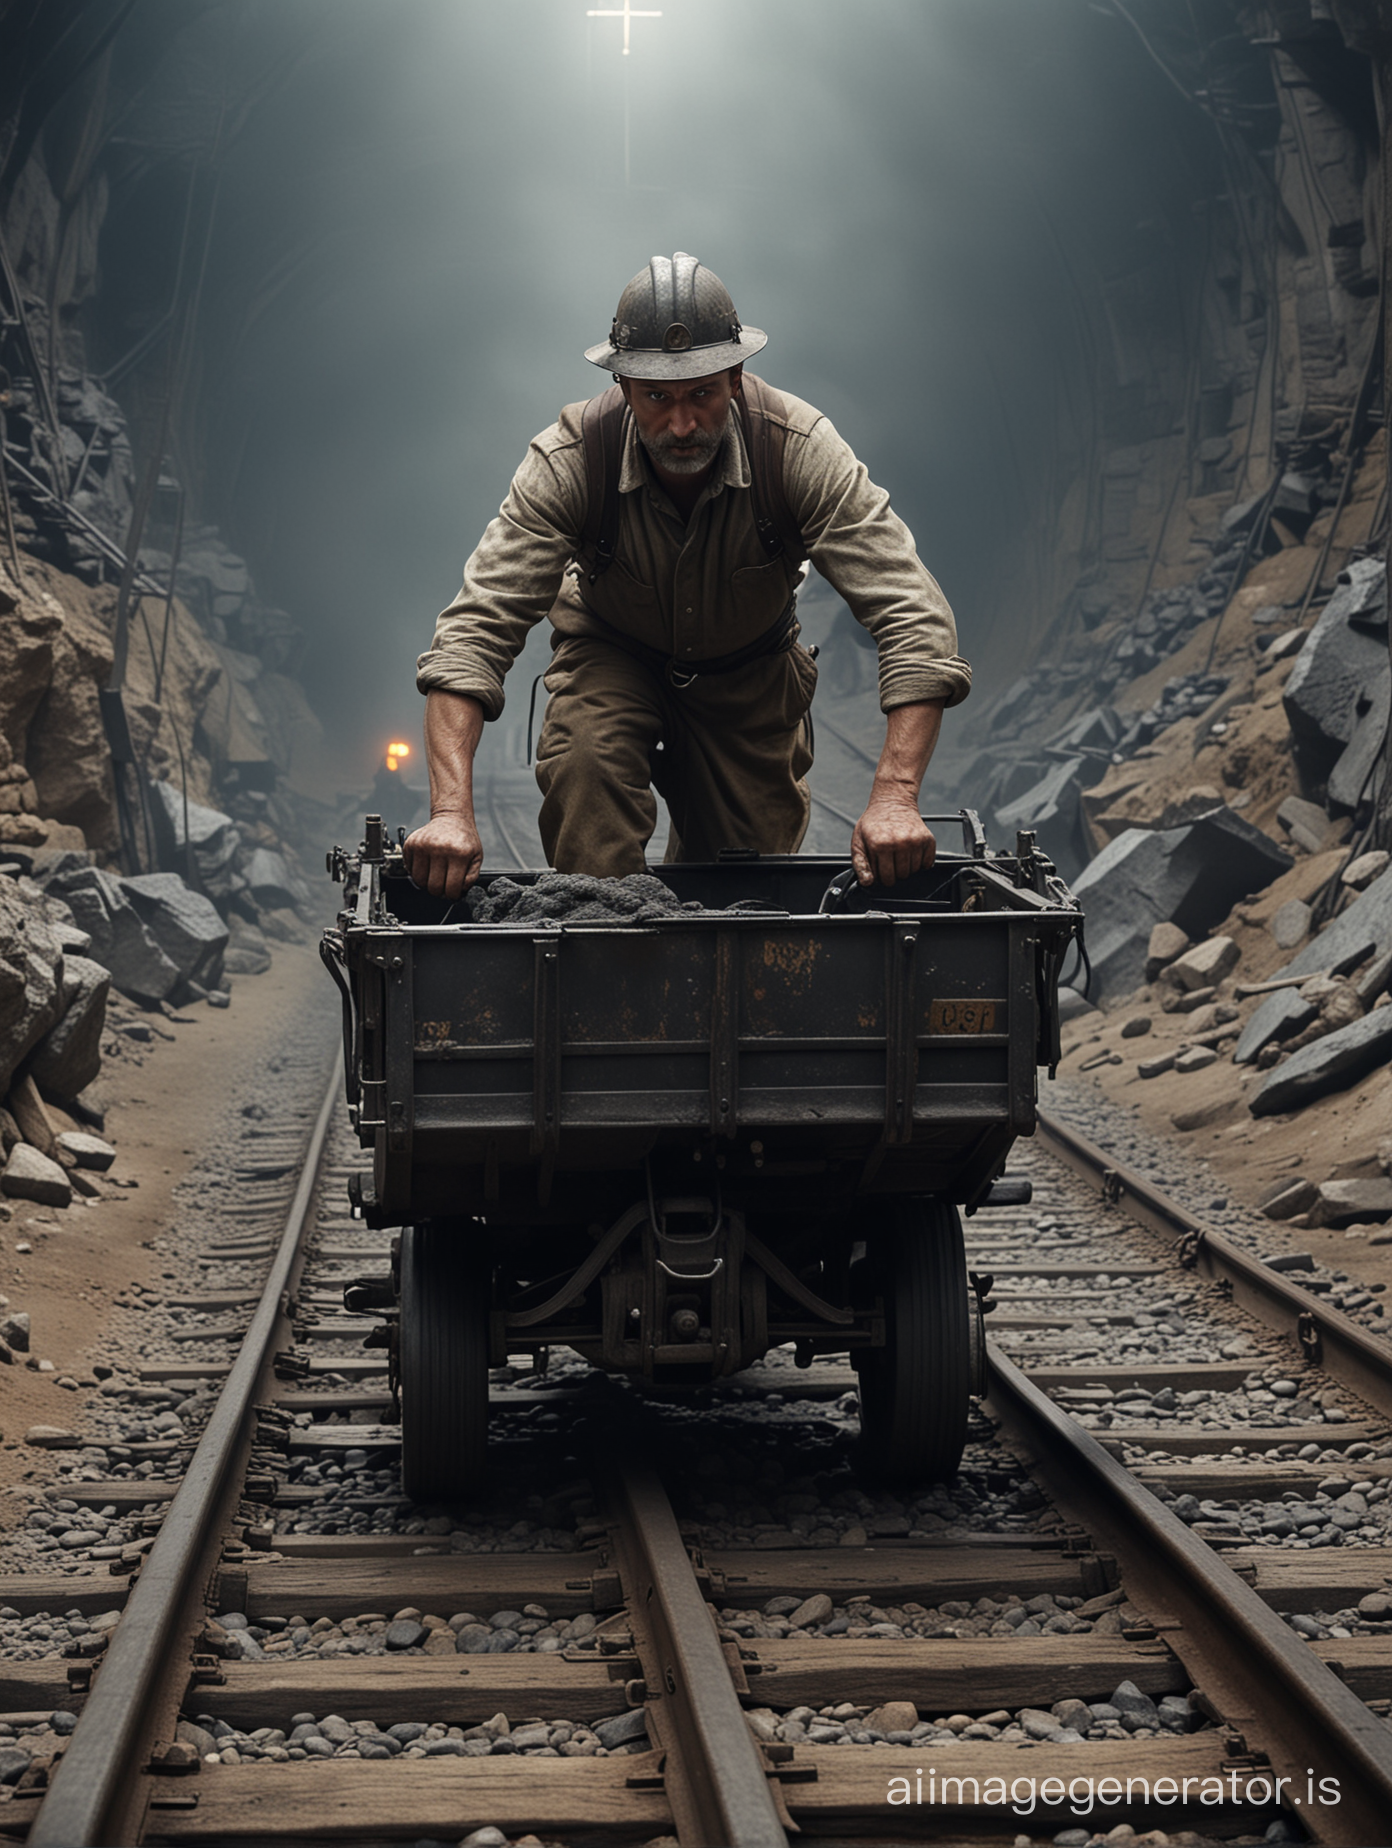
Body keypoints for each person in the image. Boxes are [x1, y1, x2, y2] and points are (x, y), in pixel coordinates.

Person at [405, 252, 971, 899]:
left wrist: (895, 797)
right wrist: (450, 812)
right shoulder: (569, 460)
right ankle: (606, 957)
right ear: (622, 387)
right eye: (657, 397)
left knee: (745, 897)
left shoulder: (797, 449)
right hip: (611, 657)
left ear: (734, 377)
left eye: (701, 393)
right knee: (587, 768)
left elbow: (913, 615)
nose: (681, 424)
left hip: (749, 680)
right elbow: (474, 634)